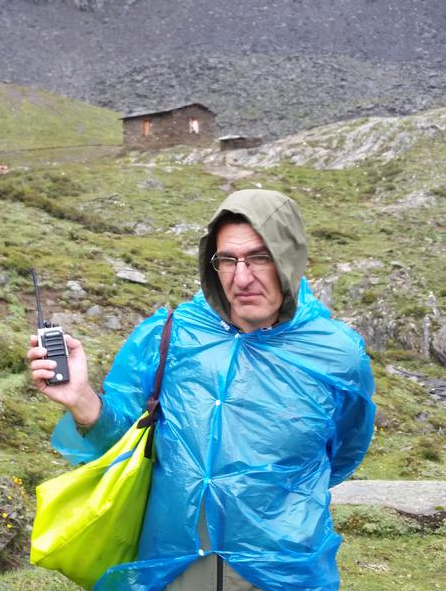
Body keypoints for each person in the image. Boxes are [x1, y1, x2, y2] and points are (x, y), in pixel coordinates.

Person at [28, 189, 376, 591]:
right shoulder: (170, 333)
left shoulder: (337, 353)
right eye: (227, 259)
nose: (241, 277)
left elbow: (346, 449)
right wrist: (83, 400)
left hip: (281, 566)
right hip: (175, 566)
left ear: (289, 256)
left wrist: (272, 499)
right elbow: (123, 438)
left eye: (259, 257)